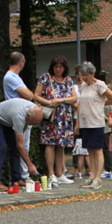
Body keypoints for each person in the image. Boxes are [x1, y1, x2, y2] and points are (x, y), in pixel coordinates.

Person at [4, 52, 54, 185]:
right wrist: (29, 95)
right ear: (21, 62)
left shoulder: (15, 77)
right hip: (20, 113)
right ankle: (24, 174)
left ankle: (23, 174)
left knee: (25, 145)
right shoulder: (11, 77)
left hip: (24, 111)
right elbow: (28, 94)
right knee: (22, 145)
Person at [75, 62, 112, 190]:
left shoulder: (99, 85)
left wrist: (101, 104)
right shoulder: (83, 86)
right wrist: (78, 123)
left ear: (92, 74)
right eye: (82, 75)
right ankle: (92, 175)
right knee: (89, 150)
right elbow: (80, 105)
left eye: (86, 75)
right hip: (85, 122)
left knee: (97, 150)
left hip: (96, 121)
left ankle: (97, 178)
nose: (83, 78)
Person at [0, 98, 47, 190]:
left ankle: (16, 179)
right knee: (1, 147)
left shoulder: (31, 109)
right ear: (29, 116)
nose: (32, 125)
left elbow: (19, 145)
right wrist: (30, 165)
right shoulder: (19, 116)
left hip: (8, 120)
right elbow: (20, 145)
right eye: (33, 122)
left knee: (14, 149)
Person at [35, 55, 77, 185]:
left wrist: (61, 100)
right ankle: (51, 173)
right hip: (52, 116)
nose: (58, 69)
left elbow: (74, 98)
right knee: (50, 143)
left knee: (61, 145)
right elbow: (36, 95)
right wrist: (48, 102)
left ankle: (60, 173)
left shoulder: (68, 80)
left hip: (64, 116)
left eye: (60, 67)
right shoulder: (45, 78)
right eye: (56, 67)